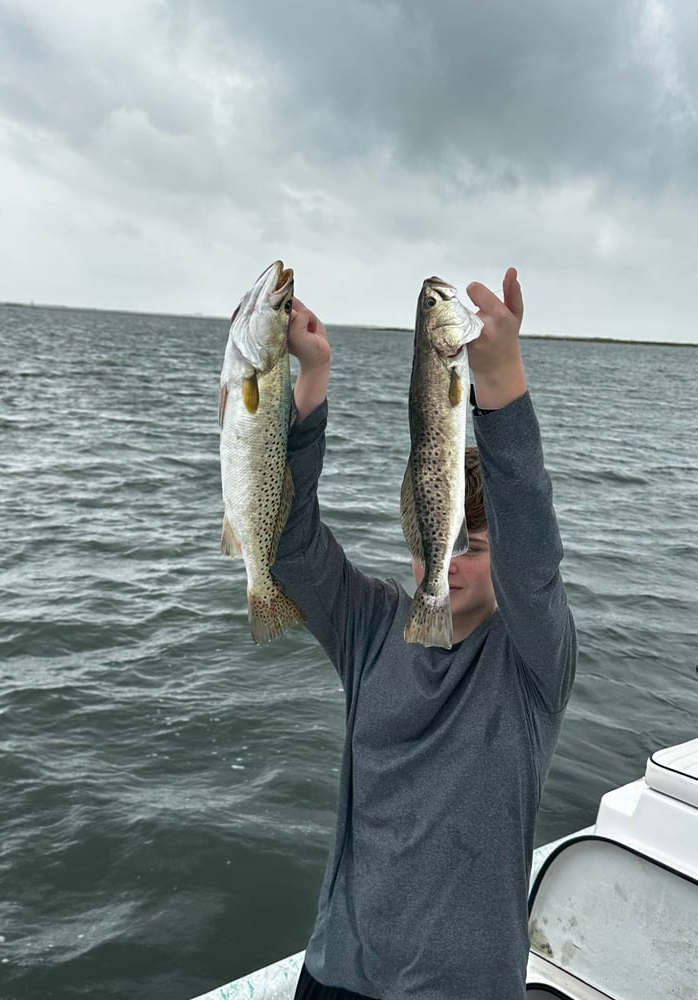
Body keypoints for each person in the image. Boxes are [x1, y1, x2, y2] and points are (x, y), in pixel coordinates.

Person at [271, 268, 577, 1000]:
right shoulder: (372, 624)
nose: (443, 557)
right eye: (430, 534)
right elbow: (287, 541)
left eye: (473, 543)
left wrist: (497, 378)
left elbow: (531, 546)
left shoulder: (532, 661)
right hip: (336, 972)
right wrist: (311, 378)